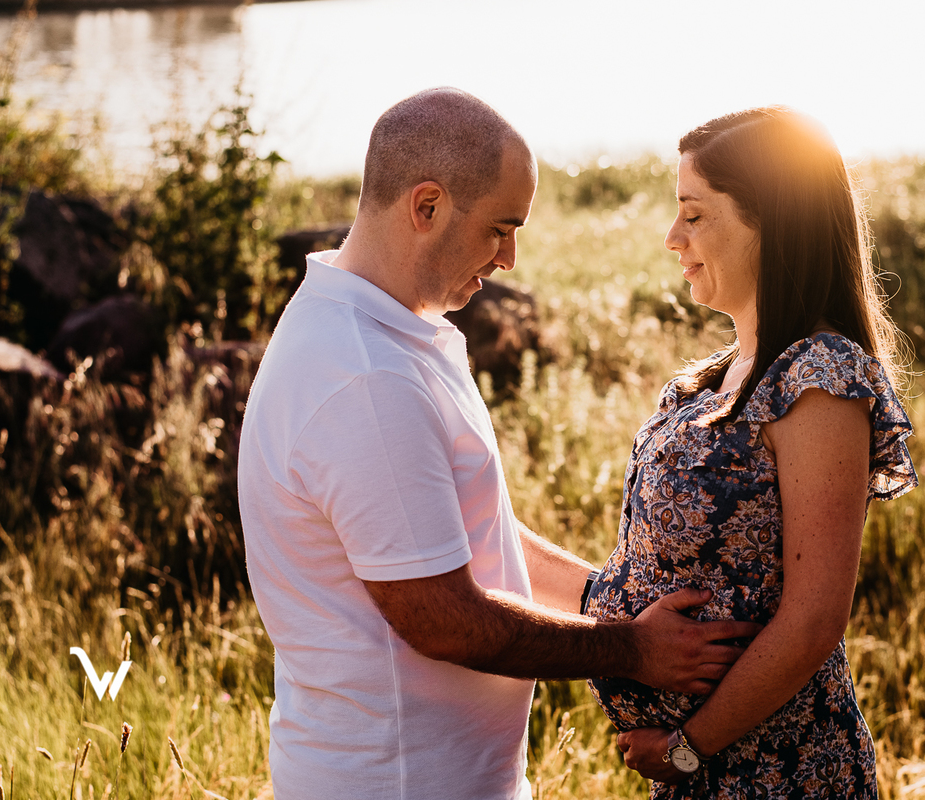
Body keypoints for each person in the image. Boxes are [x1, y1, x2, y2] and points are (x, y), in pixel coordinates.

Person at [237, 87, 760, 800]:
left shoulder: (389, 330)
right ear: (426, 207)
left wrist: (608, 597)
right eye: (500, 228)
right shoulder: (365, 376)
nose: (510, 258)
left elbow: (453, 526)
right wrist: (633, 649)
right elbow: (445, 620)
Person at [584, 106, 919, 798]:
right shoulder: (719, 373)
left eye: (696, 215)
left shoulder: (819, 377)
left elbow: (813, 620)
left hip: (777, 772)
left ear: (772, 221)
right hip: (705, 772)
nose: (672, 237)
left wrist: (686, 748)